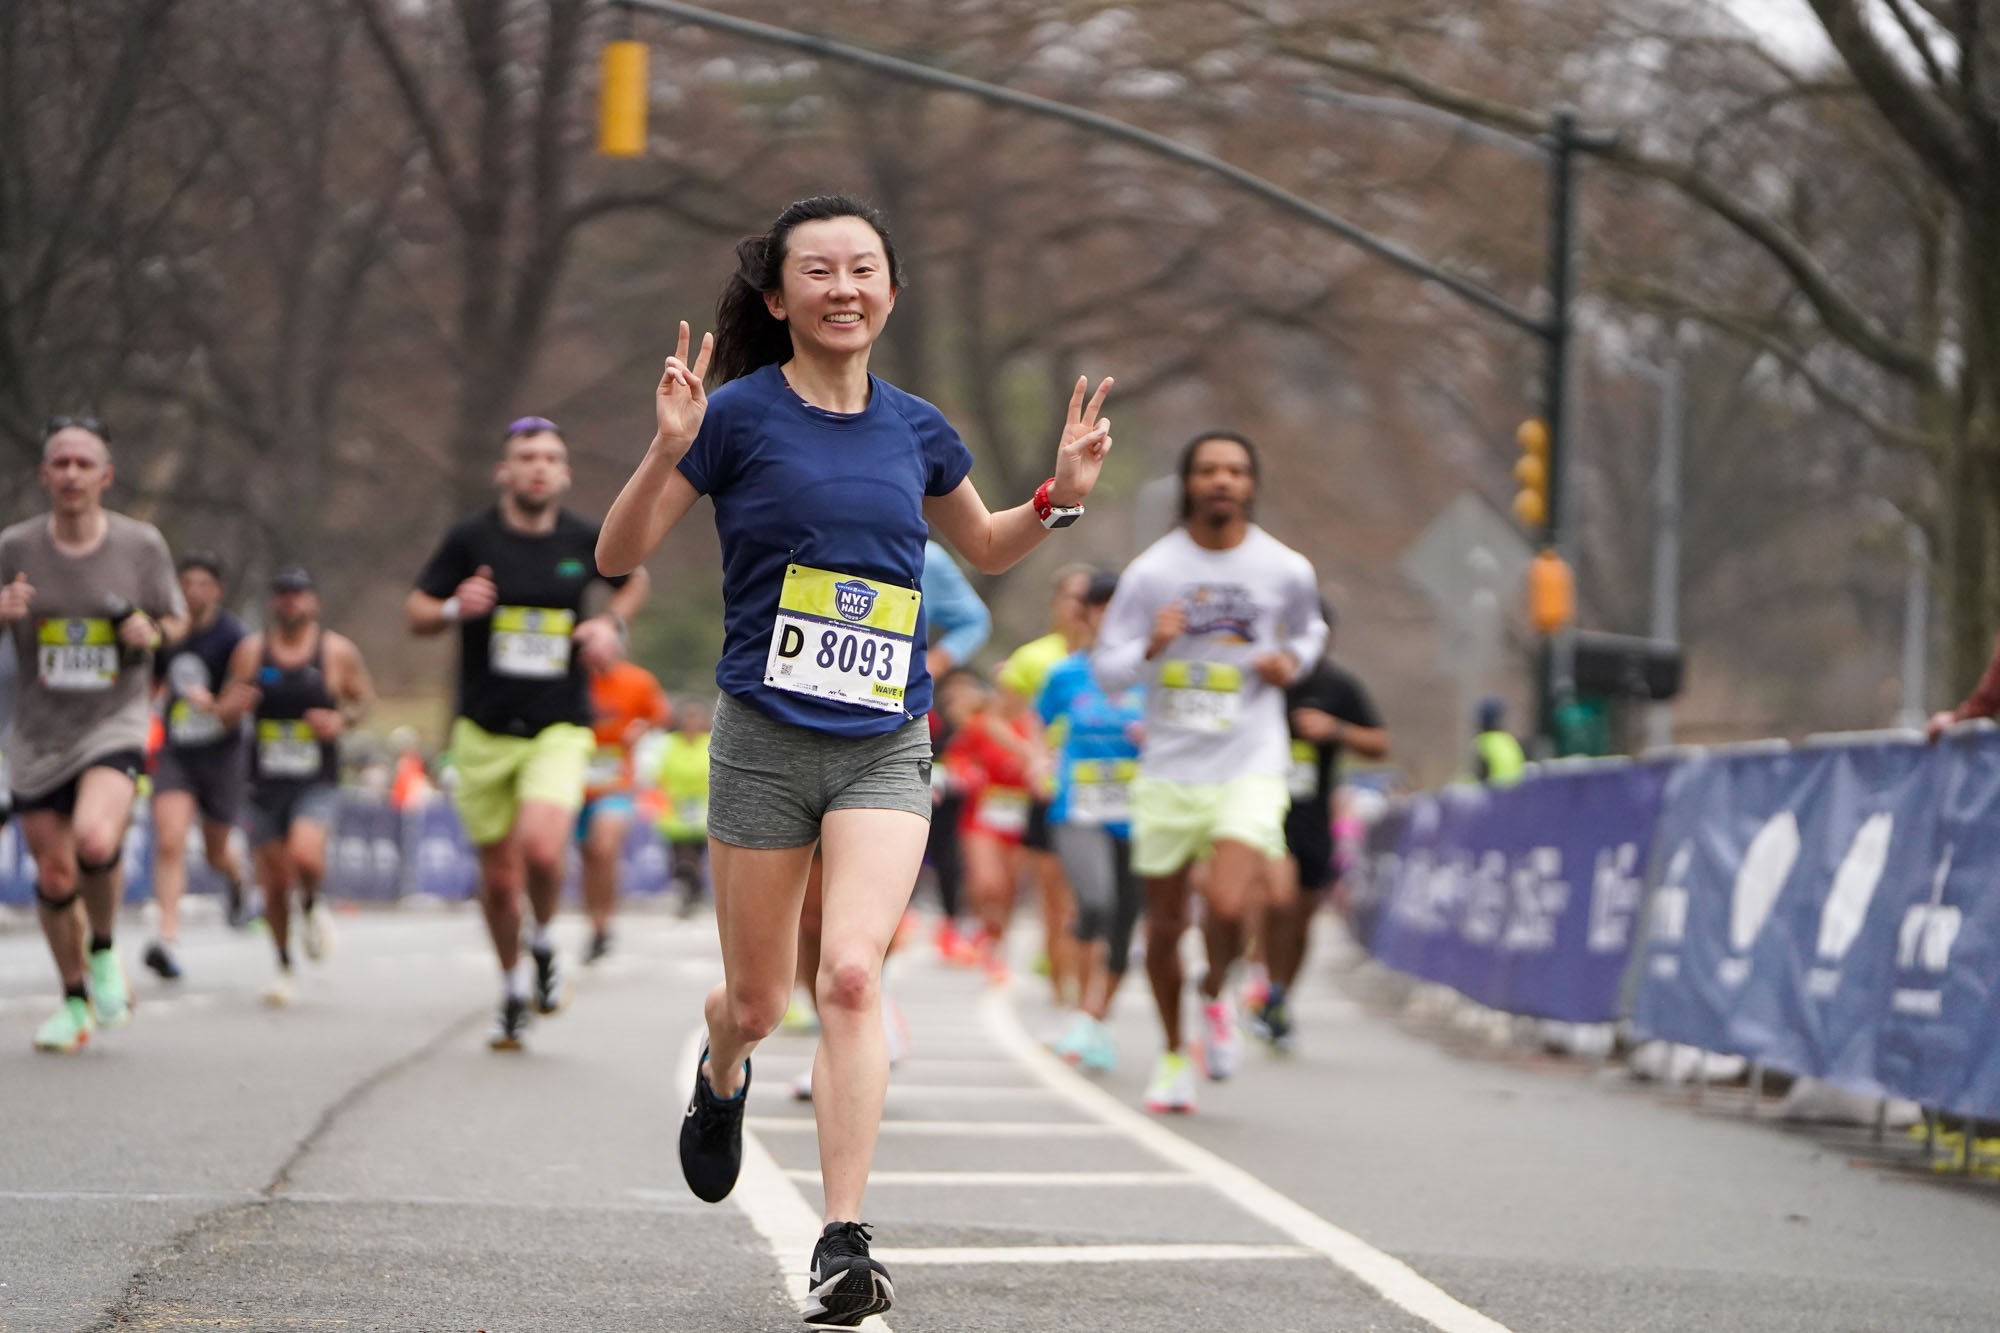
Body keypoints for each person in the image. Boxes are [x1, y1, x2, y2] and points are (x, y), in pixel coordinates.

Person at [597, 194, 1112, 1329]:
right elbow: (616, 552)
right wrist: (664, 449)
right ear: (778, 299)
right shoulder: (730, 417)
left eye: (862, 269)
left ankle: (842, 1236)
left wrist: (1055, 501)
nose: (843, 288)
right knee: (754, 998)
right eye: (817, 271)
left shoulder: (917, 428)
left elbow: (980, 544)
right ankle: (721, 1070)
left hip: (886, 736)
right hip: (762, 740)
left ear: (888, 291)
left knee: (850, 976)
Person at [1092, 430, 1325, 1114]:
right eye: (1208, 470)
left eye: (1235, 470)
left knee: (1227, 903)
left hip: (1250, 758)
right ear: (1189, 482)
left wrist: (1294, 662)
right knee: (1163, 928)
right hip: (1168, 766)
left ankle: (1216, 991)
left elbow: (1310, 632)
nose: (1221, 480)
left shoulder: (1285, 569)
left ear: (1251, 485)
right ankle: (1171, 1055)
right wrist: (1152, 643)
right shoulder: (1152, 571)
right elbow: (1108, 670)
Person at [408, 416, 651, 1051]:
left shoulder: (584, 538)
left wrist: (610, 627)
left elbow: (633, 580)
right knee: (496, 880)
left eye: (551, 457)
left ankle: (543, 938)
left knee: (543, 851)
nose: (539, 467)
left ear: (564, 473)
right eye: (527, 457)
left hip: (559, 726)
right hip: (484, 728)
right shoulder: (471, 539)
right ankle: (514, 986)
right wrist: (457, 606)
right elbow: (417, 612)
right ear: (505, 472)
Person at [1, 417, 186, 1053]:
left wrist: (151, 634)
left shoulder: (141, 546)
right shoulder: (15, 547)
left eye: (85, 464)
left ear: (106, 477)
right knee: (54, 877)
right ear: (44, 475)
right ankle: (74, 997)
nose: (72, 474)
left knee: (95, 836)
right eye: (61, 464)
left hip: (115, 718)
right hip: (38, 732)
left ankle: (103, 948)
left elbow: (175, 621)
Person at [214, 567, 374, 1006]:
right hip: (264, 781)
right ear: (273, 603)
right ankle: (284, 964)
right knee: (274, 881)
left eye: (299, 595)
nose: (291, 603)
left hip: (314, 779)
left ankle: (313, 902)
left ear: (314, 603)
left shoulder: (335, 652)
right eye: (283, 595)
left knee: (304, 855)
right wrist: (234, 705)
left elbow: (363, 701)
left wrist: (339, 720)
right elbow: (223, 712)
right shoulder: (251, 652)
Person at [1251, 603, 1389, 1050]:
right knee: (1279, 899)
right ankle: (1266, 980)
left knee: (1302, 915)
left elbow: (1380, 743)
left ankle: (1279, 997)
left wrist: (1337, 730)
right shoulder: (1264, 678)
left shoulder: (1338, 686)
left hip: (1313, 815)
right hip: (1267, 809)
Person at [1040, 569, 1146, 1072]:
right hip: (1078, 808)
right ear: (1085, 615)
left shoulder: (1151, 673)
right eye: (1100, 606)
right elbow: (1036, 728)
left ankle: (1097, 1019)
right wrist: (1037, 761)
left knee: (1126, 922)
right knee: (1096, 903)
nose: (1109, 616)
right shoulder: (1066, 675)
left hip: (1141, 812)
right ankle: (1081, 1009)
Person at [148, 550, 254, 979]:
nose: (192, 591)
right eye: (185, 582)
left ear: (217, 590)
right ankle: (167, 939)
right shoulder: (168, 631)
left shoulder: (234, 637)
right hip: (177, 751)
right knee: (170, 839)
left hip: (221, 752)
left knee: (214, 851)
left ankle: (235, 880)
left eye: (202, 584)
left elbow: (241, 701)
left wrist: (215, 707)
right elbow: (151, 682)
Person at [995, 566, 1092, 1003]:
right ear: (1057, 604)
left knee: (1089, 897)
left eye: (1090, 598)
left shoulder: (1117, 660)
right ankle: (1062, 989)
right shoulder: (1035, 658)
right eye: (1073, 597)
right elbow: (999, 721)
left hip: (1097, 791)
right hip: (1050, 792)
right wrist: (1034, 759)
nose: (1081, 608)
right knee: (1055, 899)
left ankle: (1084, 982)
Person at [920, 540, 989, 960]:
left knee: (937, 848)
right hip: (800, 715)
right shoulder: (797, 519)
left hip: (891, 723)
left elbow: (974, 619)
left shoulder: (925, 554)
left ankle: (946, 923)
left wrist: (936, 662)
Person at [580, 658, 671, 962]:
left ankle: (604, 922)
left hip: (615, 780)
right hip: (571, 776)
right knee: (588, 855)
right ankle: (594, 924)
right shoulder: (571, 676)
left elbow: (660, 713)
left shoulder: (637, 680)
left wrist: (642, 726)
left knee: (604, 847)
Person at [655, 697, 713, 916]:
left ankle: (694, 893)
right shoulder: (670, 744)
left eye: (696, 717)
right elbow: (660, 773)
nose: (692, 722)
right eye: (688, 717)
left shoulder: (711, 742)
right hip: (675, 810)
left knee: (695, 856)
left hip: (703, 810)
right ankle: (687, 890)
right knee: (679, 858)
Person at [1472, 695, 1526, 786]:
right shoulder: (1510, 741)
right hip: (1515, 796)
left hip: (1494, 796)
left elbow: (1479, 780)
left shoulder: (1482, 743)